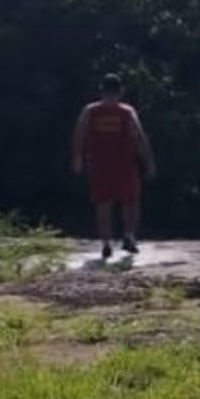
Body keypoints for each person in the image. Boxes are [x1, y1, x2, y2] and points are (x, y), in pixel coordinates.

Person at [71, 73, 156, 260]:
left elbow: (79, 135)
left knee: (103, 203)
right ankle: (129, 236)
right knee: (131, 201)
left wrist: (77, 159)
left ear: (102, 90)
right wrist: (149, 162)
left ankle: (106, 243)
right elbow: (139, 137)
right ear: (120, 91)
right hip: (124, 164)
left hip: (99, 164)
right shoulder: (126, 111)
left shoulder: (90, 110)